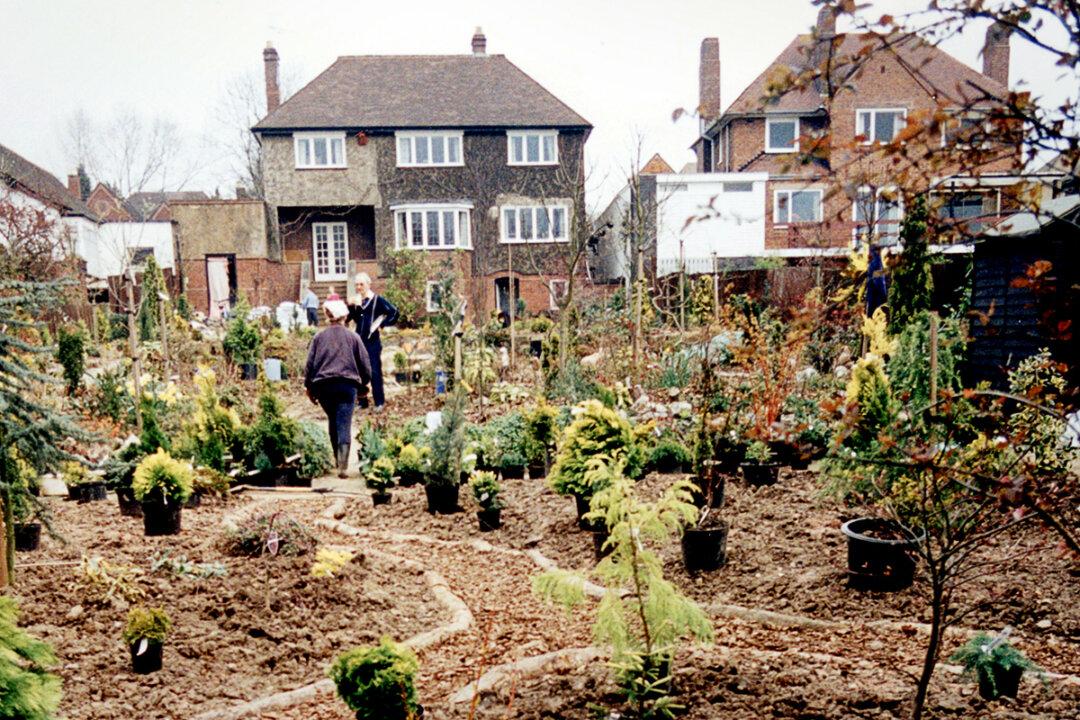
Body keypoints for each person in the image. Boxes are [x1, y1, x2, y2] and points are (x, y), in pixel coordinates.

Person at [304, 299, 371, 478]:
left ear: (328, 316)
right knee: (344, 422)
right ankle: (342, 466)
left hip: (323, 387)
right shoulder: (353, 337)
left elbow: (309, 366)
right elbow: (365, 365)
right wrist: (364, 384)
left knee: (333, 421)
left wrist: (309, 388)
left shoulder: (318, 337)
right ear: (345, 317)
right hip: (346, 386)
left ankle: (337, 460)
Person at [347, 272, 399, 411]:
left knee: (375, 372)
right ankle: (362, 402)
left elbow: (394, 312)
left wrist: (383, 324)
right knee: (358, 372)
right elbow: (348, 319)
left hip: (372, 342)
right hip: (358, 341)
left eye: (361, 284)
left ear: (368, 285)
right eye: (356, 284)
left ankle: (379, 402)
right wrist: (350, 306)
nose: (359, 287)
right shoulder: (356, 301)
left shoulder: (377, 300)